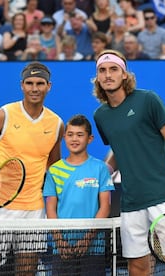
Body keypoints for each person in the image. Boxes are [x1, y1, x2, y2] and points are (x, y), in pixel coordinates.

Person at [92, 49, 165, 276]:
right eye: (102, 70)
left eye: (113, 69)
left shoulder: (148, 100)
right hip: (131, 204)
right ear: (97, 77)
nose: (108, 75)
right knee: (137, 268)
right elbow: (119, 149)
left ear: (125, 74)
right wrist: (103, 171)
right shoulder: (101, 115)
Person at [0, 61, 64, 275]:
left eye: (40, 83)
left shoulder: (57, 124)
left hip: (34, 210)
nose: (34, 88)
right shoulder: (3, 115)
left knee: (26, 272)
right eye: (29, 83)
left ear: (49, 86)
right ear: (22, 85)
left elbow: (55, 167)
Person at [43, 114, 115, 275]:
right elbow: (51, 209)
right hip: (61, 249)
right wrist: (59, 241)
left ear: (90, 139)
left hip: (94, 249)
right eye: (70, 134)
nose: (74, 139)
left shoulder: (100, 168)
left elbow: (105, 207)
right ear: (64, 137)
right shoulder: (54, 171)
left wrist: (87, 239)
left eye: (80, 135)